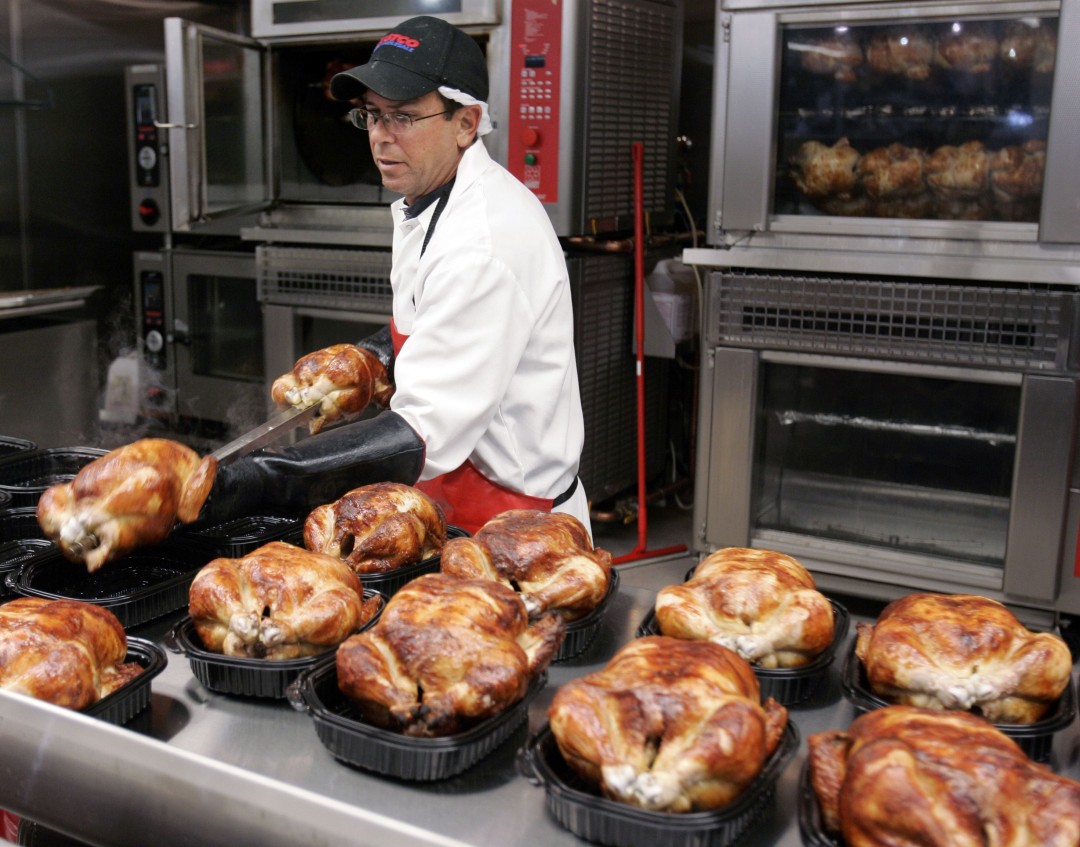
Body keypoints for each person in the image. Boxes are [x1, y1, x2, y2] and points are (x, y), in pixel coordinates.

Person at [209, 15, 590, 536]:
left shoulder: (483, 242)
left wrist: (260, 478)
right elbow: (434, 324)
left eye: (404, 117)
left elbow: (423, 430)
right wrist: (370, 361)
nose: (381, 138)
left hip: (517, 526)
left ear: (466, 123)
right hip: (456, 499)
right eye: (373, 115)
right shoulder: (432, 198)